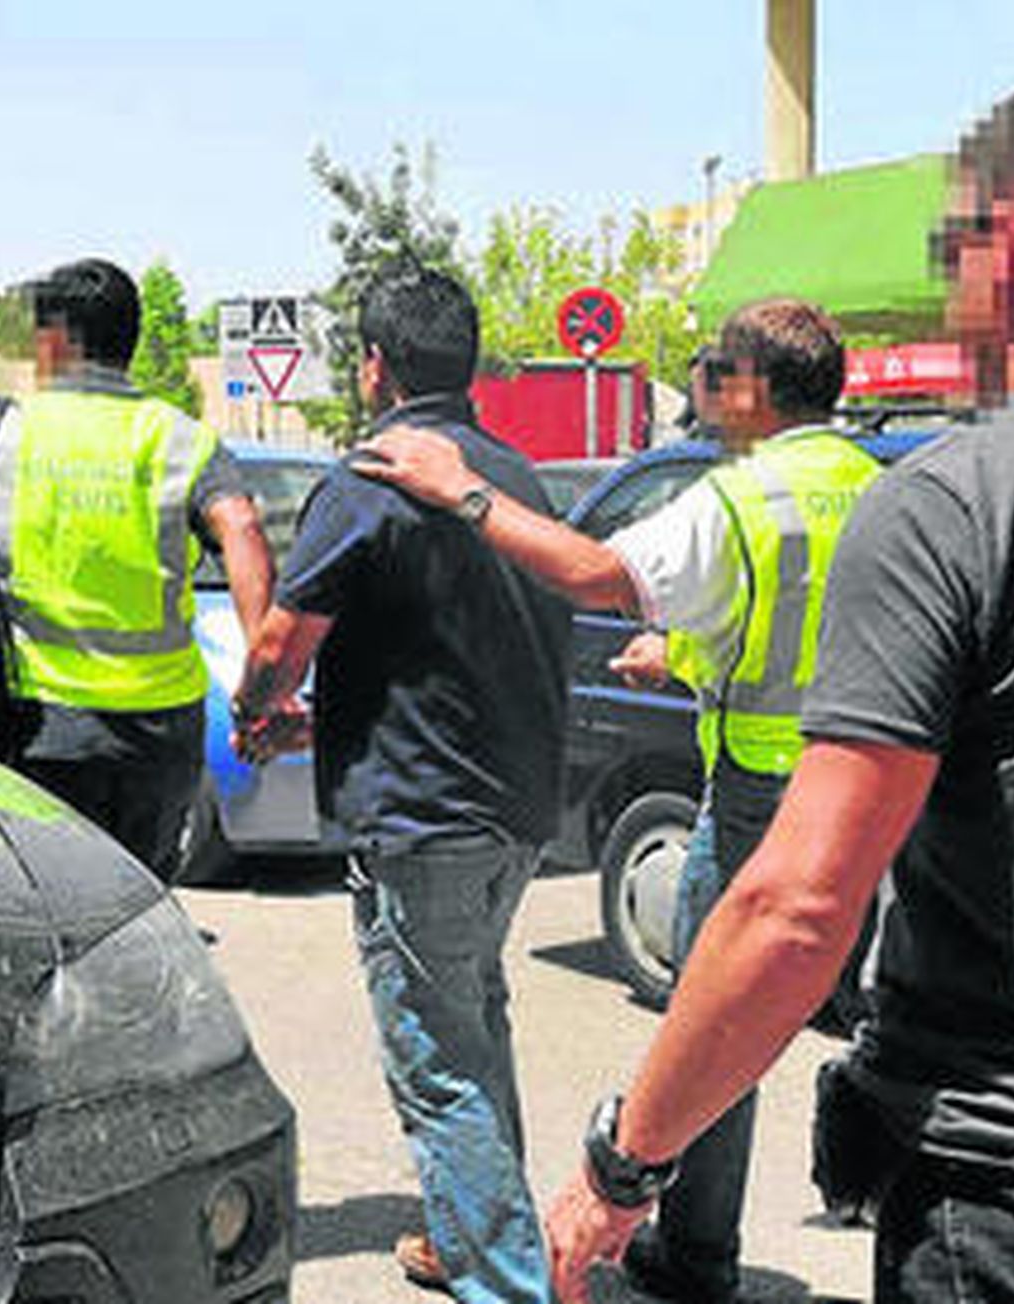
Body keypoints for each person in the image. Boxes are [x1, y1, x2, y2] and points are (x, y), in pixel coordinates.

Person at [536, 69, 1014, 1304]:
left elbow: (797, 909)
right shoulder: (894, 486)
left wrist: (620, 1163)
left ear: (1011, 239)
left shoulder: (961, 500)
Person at [358, 296, 880, 1302]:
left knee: (712, 1018)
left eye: (713, 371)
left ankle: (693, 1254)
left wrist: (462, 489)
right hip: (879, 791)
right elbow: (811, 628)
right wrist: (684, 652)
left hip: (764, 797)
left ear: (752, 388)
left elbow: (594, 573)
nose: (702, 388)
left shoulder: (742, 496)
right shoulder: (877, 485)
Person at [233, 265, 571, 1303]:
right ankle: (469, 1236)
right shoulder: (515, 478)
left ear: (374, 366)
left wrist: (256, 709)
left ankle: (506, 1282)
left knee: (437, 1060)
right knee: (474, 1021)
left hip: (424, 818)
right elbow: (451, 651)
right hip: (516, 805)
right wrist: (331, 718)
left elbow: (282, 642)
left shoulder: (370, 479)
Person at [0, 258, 273, 882]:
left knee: (42, 899)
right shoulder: (181, 439)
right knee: (139, 902)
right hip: (159, 735)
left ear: (54, 340)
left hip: (33, 729)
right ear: (128, 341)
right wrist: (263, 684)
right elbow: (241, 528)